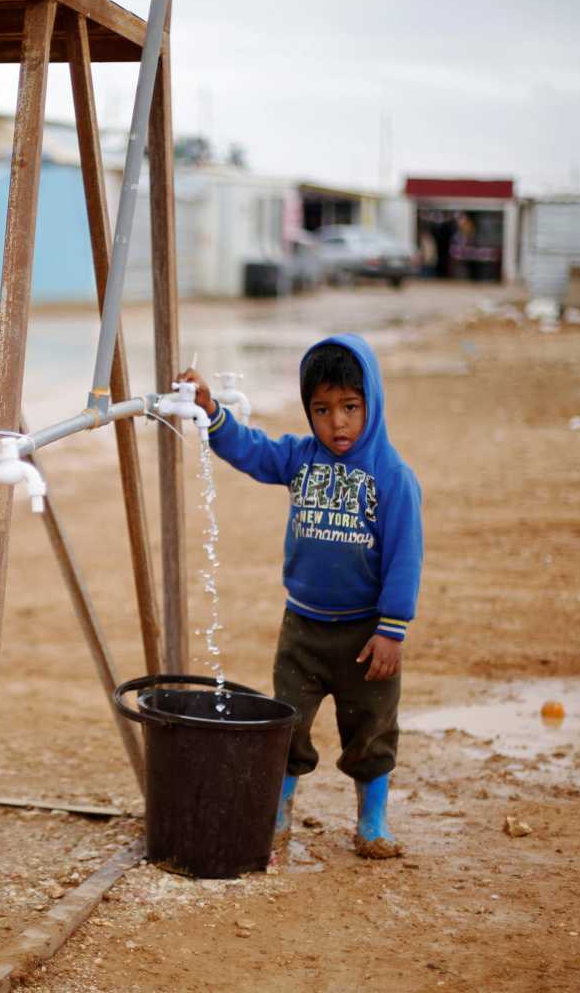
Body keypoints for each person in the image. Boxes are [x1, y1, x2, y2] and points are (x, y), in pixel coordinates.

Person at [176, 335, 423, 859]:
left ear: (371, 403)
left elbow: (405, 558)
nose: (337, 423)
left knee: (372, 732)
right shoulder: (299, 458)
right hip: (303, 630)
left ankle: (372, 824)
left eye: (350, 408)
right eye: (323, 410)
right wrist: (211, 411)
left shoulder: (393, 477)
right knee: (285, 727)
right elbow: (251, 450)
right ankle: (279, 816)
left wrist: (392, 630)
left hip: (366, 636)